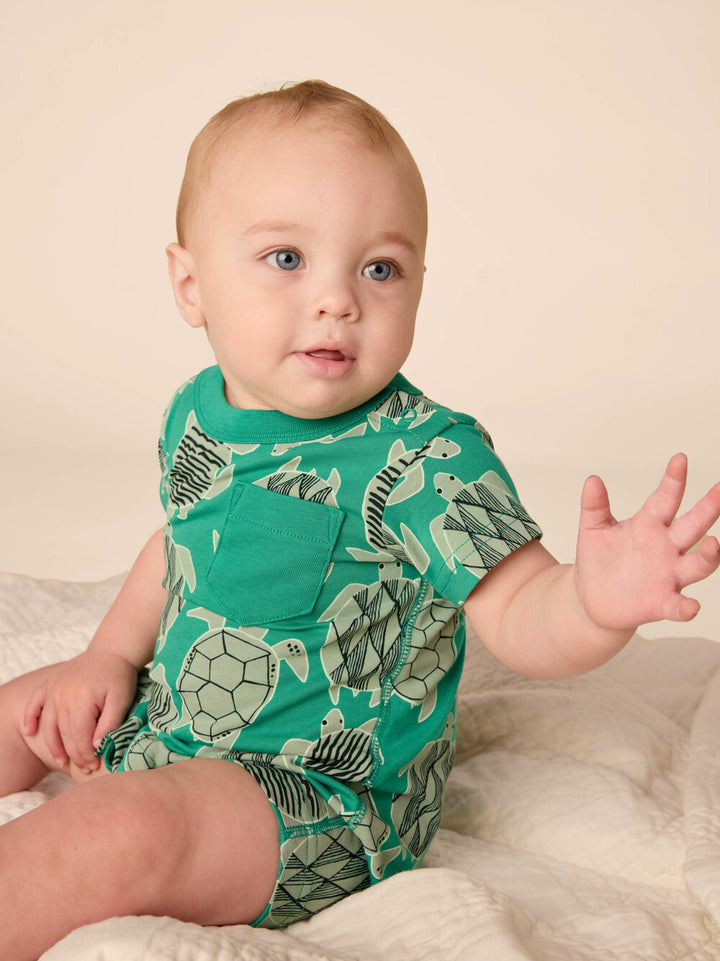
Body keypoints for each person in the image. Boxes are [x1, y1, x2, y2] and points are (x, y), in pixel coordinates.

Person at [1, 79, 719, 960]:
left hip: (316, 803)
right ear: (191, 285)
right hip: (170, 725)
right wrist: (109, 656)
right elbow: (178, 546)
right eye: (287, 258)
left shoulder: (426, 459)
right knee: (28, 705)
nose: (338, 299)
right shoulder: (197, 412)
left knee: (131, 830)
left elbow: (520, 609)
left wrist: (592, 602)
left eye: (379, 268)